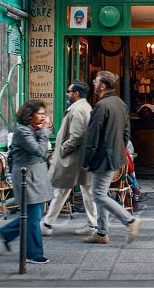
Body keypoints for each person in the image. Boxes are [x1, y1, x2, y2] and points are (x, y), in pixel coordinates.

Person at [82, 71, 141, 244]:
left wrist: (86, 160)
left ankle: (129, 221)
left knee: (98, 194)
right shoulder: (120, 104)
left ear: (102, 86)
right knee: (102, 192)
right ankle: (101, 233)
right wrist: (119, 149)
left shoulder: (101, 106)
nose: (93, 83)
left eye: (96, 81)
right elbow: (126, 133)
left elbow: (92, 137)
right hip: (114, 156)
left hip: (101, 157)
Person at [0, 100, 54, 264]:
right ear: (30, 115)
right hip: (27, 178)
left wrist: (41, 130)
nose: (44, 117)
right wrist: (44, 131)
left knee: (30, 215)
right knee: (33, 217)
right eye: (40, 114)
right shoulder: (22, 131)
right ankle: (33, 254)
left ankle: (7, 232)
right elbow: (40, 151)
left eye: (44, 114)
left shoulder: (32, 129)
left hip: (36, 176)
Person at [41, 81, 98, 237]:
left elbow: (76, 136)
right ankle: (92, 224)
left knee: (63, 190)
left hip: (73, 159)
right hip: (78, 158)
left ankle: (47, 223)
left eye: (69, 91)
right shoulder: (83, 107)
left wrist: (61, 151)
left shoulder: (78, 109)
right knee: (83, 191)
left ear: (76, 94)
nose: (67, 94)